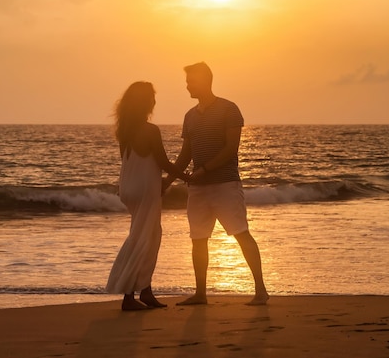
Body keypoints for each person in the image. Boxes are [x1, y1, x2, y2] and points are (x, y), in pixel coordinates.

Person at [163, 62, 269, 306]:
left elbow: (231, 148)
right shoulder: (189, 116)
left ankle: (261, 290)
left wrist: (205, 170)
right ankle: (200, 294)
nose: (187, 85)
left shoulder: (228, 109)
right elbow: (185, 153)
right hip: (198, 188)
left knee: (241, 234)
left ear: (204, 80)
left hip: (225, 184)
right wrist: (168, 180)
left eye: (191, 80)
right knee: (198, 239)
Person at [106, 81, 192, 311]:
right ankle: (129, 294)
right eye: (152, 97)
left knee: (146, 234)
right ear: (145, 102)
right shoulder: (150, 130)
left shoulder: (125, 130)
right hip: (145, 189)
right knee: (144, 238)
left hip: (128, 187)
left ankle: (144, 291)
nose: (155, 101)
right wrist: (187, 177)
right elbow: (162, 162)